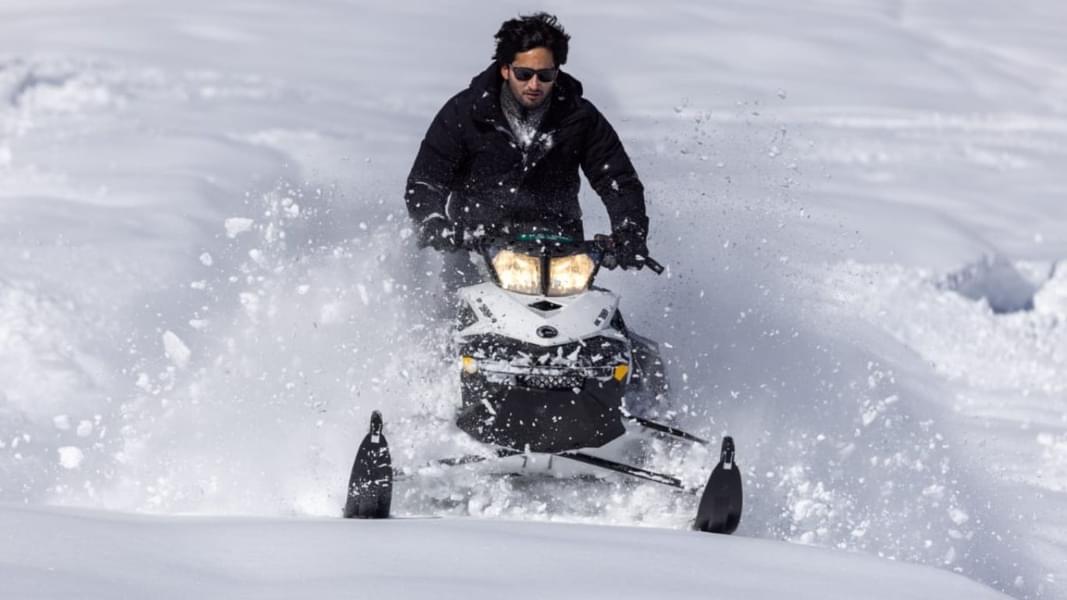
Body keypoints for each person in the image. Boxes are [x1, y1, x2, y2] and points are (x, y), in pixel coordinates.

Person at [404, 12, 651, 290]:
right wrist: (435, 223)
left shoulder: (580, 117)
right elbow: (426, 181)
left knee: (603, 319)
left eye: (545, 75)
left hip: (561, 255)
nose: (534, 85)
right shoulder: (465, 112)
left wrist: (630, 231)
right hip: (475, 252)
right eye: (524, 74)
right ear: (505, 69)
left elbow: (618, 180)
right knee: (453, 319)